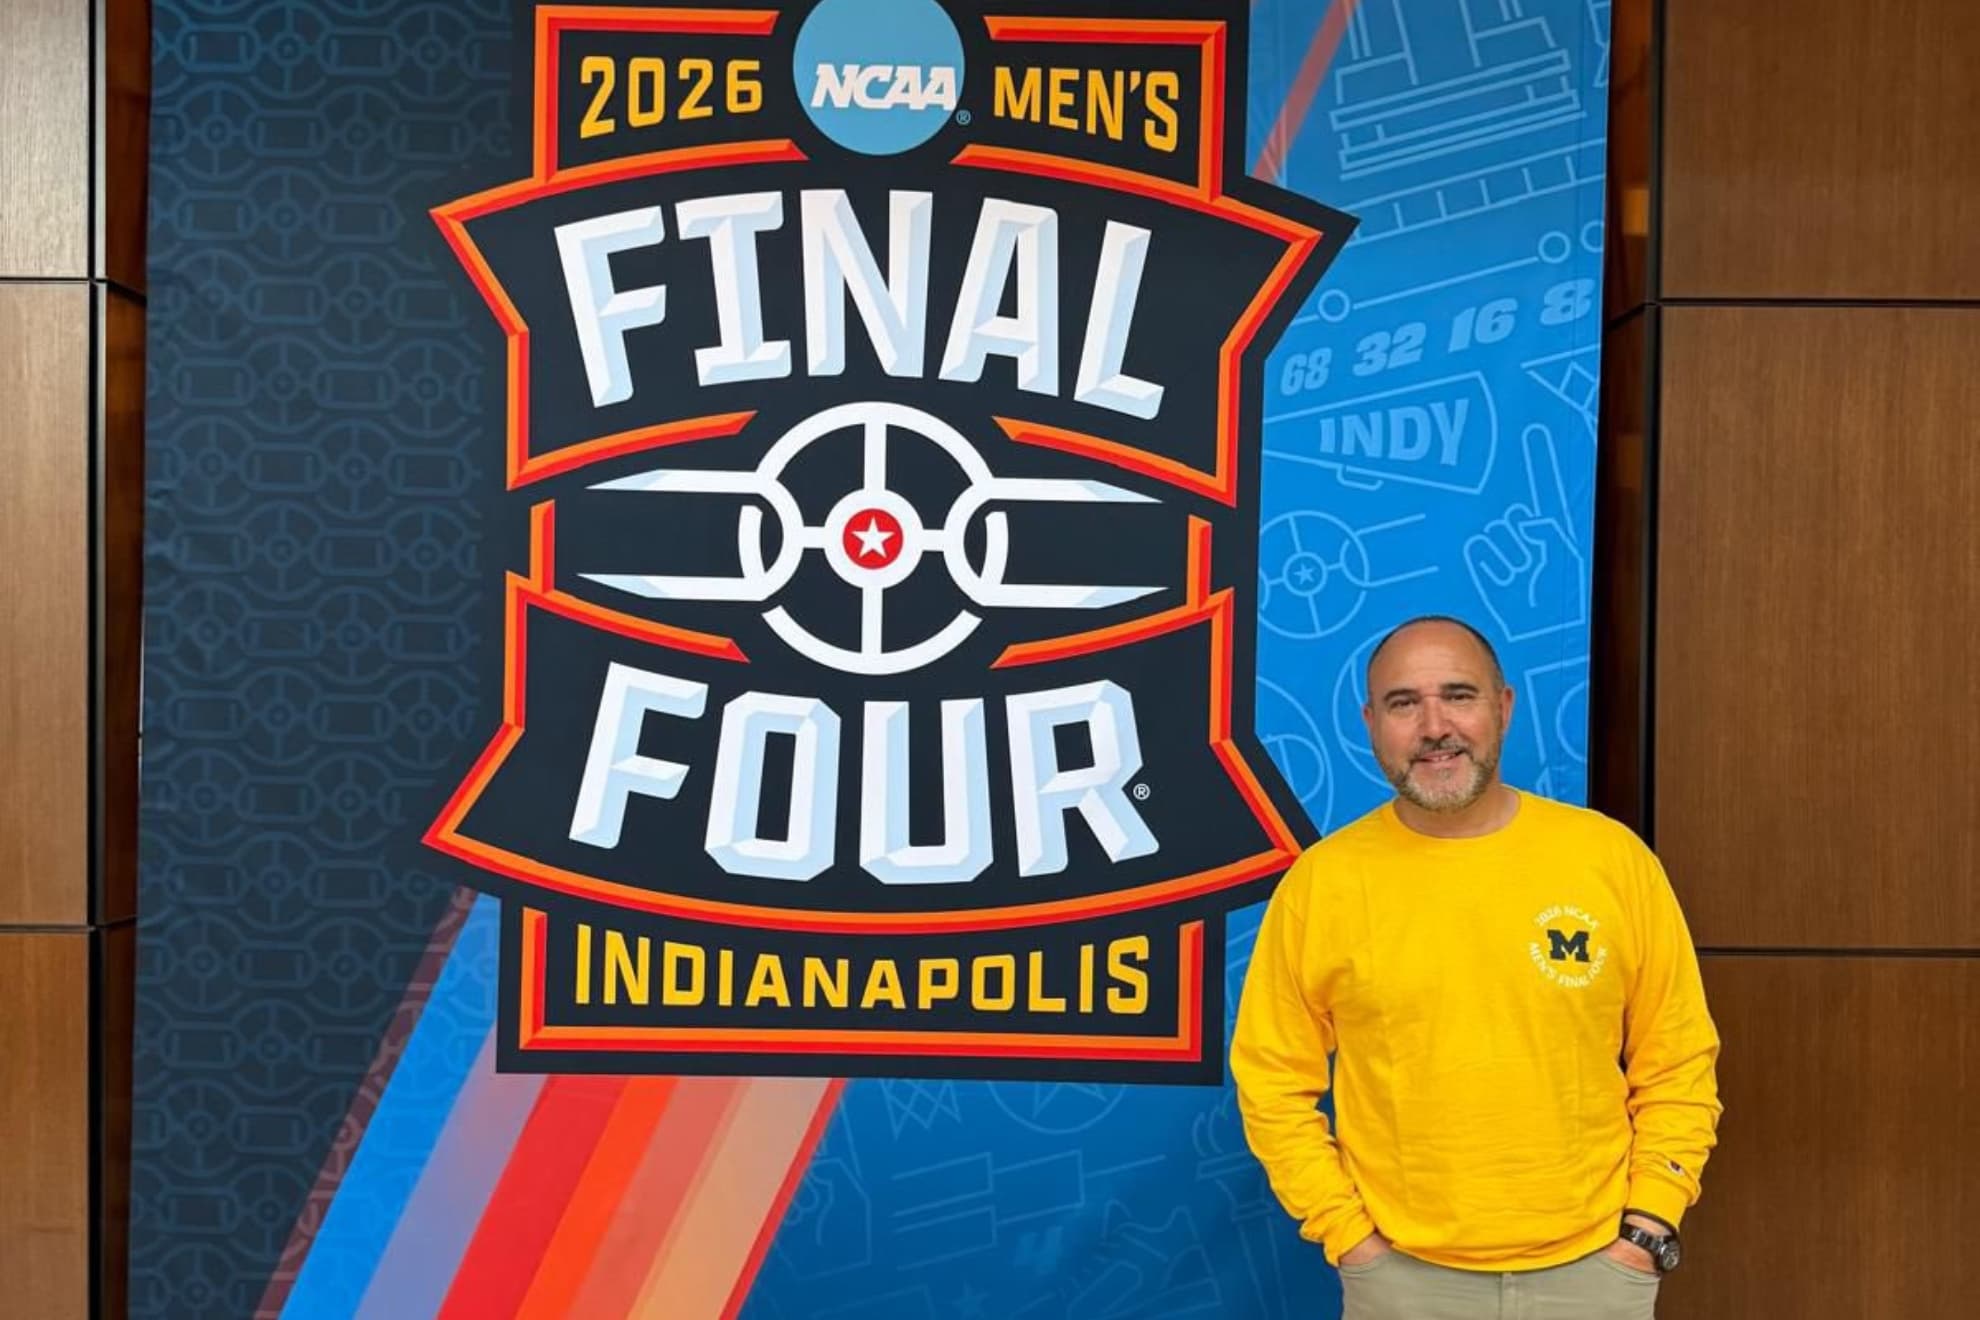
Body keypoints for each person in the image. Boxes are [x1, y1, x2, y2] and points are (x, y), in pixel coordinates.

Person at [1231, 616, 1721, 1319]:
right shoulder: (1323, 884)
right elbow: (1272, 1081)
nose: (1435, 726)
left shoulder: (1611, 862)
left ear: (1504, 707)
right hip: (1401, 1280)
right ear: (1371, 722)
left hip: (1596, 1274)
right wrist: (1350, 1238)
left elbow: (1678, 1062)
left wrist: (1647, 1229)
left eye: (1459, 695)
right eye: (1404, 703)